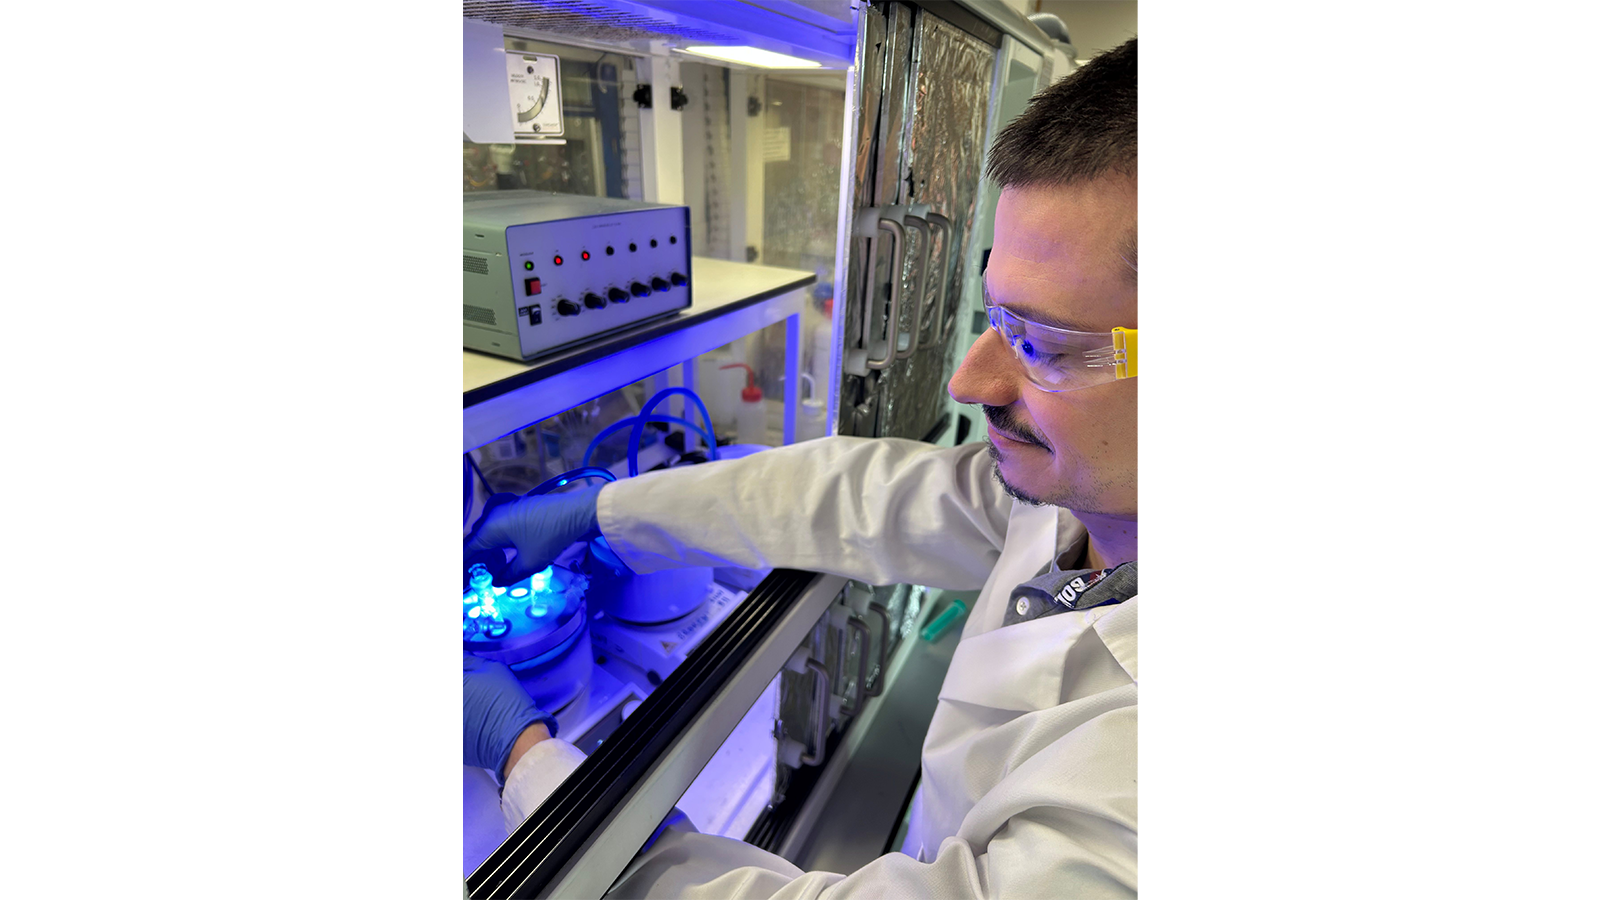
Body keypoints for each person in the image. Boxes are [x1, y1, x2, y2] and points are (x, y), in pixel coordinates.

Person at [464, 37, 1139, 899]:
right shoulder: (1081, 506)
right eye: (995, 314)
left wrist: (526, 759)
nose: (971, 381)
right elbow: (863, 496)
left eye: (1041, 343)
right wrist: (601, 510)